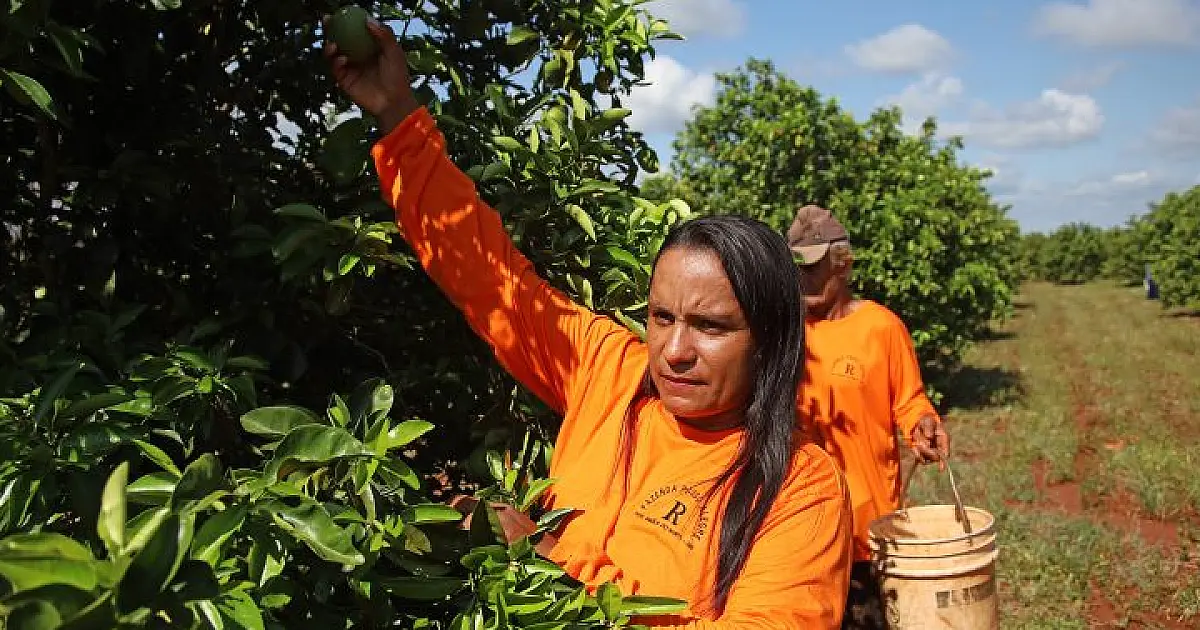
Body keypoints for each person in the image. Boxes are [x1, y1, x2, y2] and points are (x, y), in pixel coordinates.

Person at [325, 19, 853, 628]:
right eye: (661, 317)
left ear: (770, 342)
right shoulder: (612, 372)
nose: (674, 351)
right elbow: (491, 277)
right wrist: (397, 116)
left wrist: (549, 562)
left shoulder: (797, 488)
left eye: (710, 326)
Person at [787, 205, 950, 629]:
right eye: (797, 268)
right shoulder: (786, 334)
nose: (803, 278)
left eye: (813, 268)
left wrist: (923, 426)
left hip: (867, 528)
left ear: (843, 265)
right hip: (800, 528)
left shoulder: (881, 328)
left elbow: (910, 400)